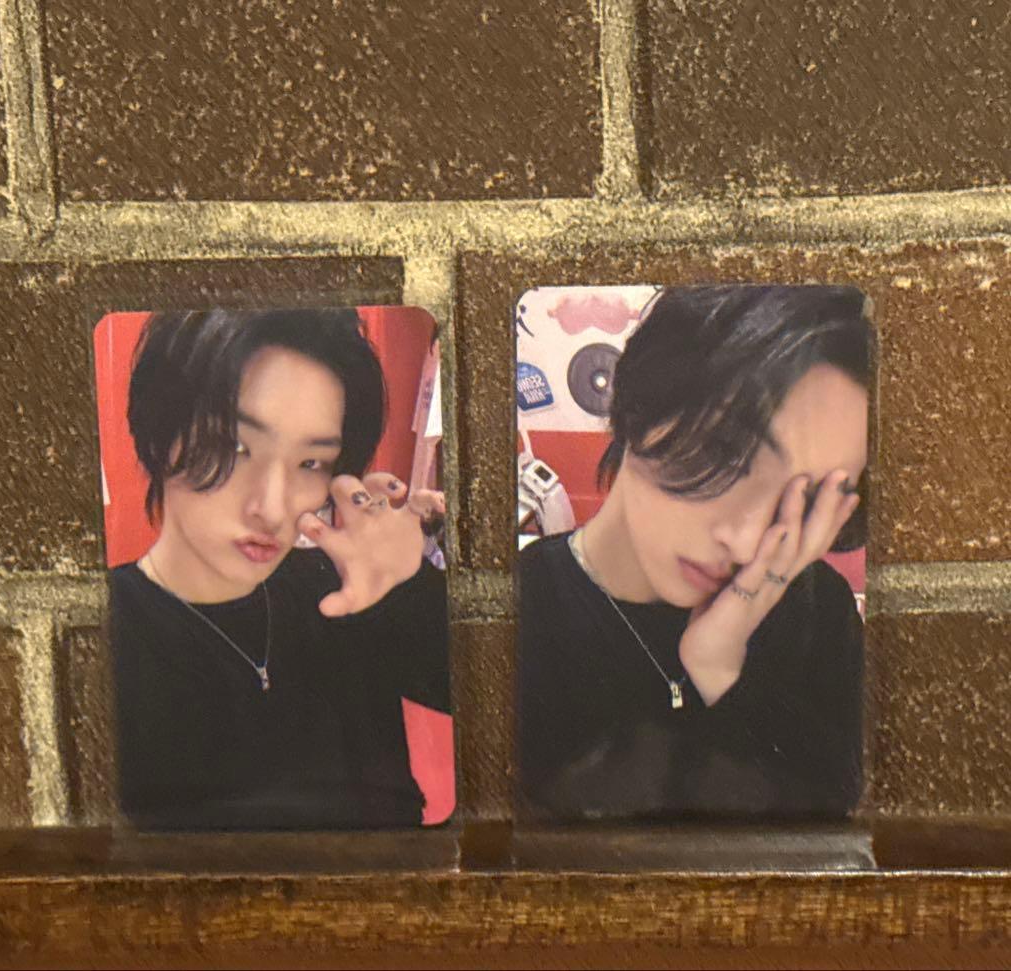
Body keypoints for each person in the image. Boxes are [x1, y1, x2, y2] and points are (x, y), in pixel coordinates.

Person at [518, 285, 871, 821]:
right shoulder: (521, 609)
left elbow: (840, 830)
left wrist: (723, 670)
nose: (748, 542)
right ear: (641, 399)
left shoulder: (820, 614)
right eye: (728, 455)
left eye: (806, 500)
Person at [109, 308, 449, 830]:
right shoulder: (107, 634)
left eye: (311, 463)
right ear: (161, 436)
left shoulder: (340, 590)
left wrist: (410, 584)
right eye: (235, 448)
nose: (271, 509)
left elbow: (516, 705)